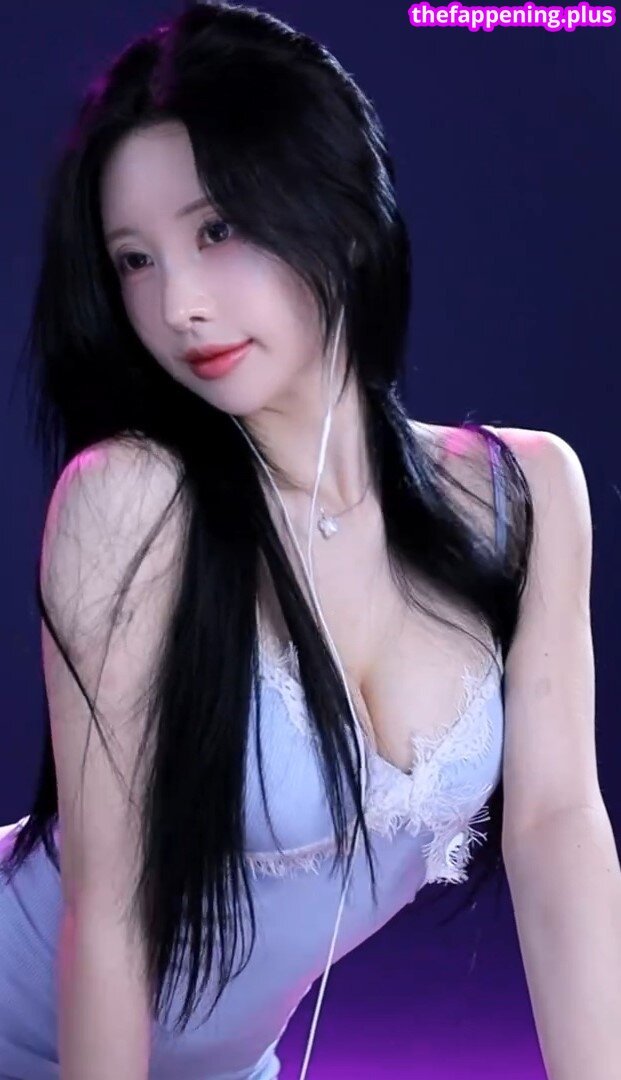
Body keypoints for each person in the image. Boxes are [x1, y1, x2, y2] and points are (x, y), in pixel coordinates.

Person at [0, 4, 538, 1078]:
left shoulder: (518, 495)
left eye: (216, 231)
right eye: (134, 260)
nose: (179, 305)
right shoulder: (128, 501)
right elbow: (108, 911)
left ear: (338, 210)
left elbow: (557, 828)